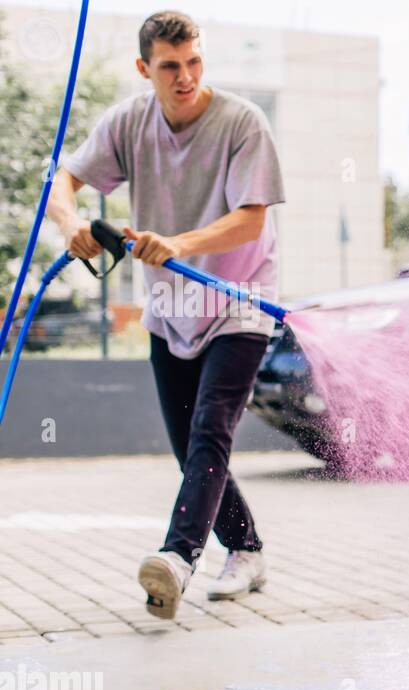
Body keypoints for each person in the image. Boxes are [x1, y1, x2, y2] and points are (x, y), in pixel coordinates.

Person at [46, 10, 285, 620]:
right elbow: (64, 179)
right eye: (171, 66)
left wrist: (178, 244)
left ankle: (177, 559)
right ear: (144, 68)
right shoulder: (129, 121)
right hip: (170, 308)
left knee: (210, 431)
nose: (186, 77)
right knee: (190, 450)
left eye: (195, 61)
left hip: (240, 302)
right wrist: (73, 227)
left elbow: (251, 219)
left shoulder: (242, 122)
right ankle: (248, 550)